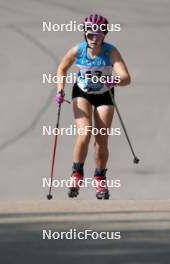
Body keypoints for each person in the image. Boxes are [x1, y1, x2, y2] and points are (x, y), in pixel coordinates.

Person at [55, 14, 131, 199]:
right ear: (84, 34)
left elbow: (126, 78)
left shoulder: (110, 52)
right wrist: (60, 90)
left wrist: (113, 80)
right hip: (82, 92)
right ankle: (76, 173)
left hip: (104, 94)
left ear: (104, 35)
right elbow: (62, 68)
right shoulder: (78, 50)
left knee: (102, 140)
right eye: (90, 35)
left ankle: (99, 179)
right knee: (85, 132)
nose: (93, 38)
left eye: (97, 35)